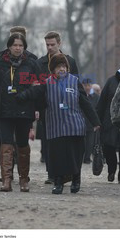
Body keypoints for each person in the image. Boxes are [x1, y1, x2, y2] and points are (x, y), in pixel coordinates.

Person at [17, 54, 100, 194]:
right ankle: (59, 182)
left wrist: (95, 122)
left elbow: (85, 103)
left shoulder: (75, 81)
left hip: (75, 126)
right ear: (52, 69)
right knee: (57, 157)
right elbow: (35, 95)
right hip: (55, 127)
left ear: (67, 68)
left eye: (64, 66)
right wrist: (21, 97)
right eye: (58, 67)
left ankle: (76, 179)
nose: (61, 69)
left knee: (75, 156)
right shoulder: (47, 83)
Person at [0, 33, 42, 192]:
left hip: (24, 110)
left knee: (22, 144)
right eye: (15, 45)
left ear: (24, 47)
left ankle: (24, 179)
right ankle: (6, 180)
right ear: (9, 47)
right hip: (4, 110)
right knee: (6, 143)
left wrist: (27, 96)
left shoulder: (31, 64)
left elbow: (39, 86)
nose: (17, 48)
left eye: (20, 45)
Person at [36, 31, 79, 184]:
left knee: (66, 142)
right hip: (48, 108)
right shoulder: (40, 63)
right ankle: (52, 173)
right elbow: (39, 88)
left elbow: (76, 85)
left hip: (67, 109)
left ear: (59, 44)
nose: (49, 47)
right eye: (47, 45)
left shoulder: (70, 62)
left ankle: (68, 172)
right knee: (50, 143)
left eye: (52, 44)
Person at [96, 54, 120, 185]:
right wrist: (97, 120)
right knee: (109, 147)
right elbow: (102, 102)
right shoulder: (111, 81)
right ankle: (111, 169)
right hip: (110, 120)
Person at [82, 78, 99, 164]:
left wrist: (96, 122)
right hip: (81, 123)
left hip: (91, 124)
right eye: (85, 85)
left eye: (89, 85)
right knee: (82, 142)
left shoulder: (95, 97)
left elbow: (97, 110)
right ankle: (81, 157)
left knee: (90, 142)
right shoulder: (80, 96)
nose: (87, 87)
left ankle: (87, 158)